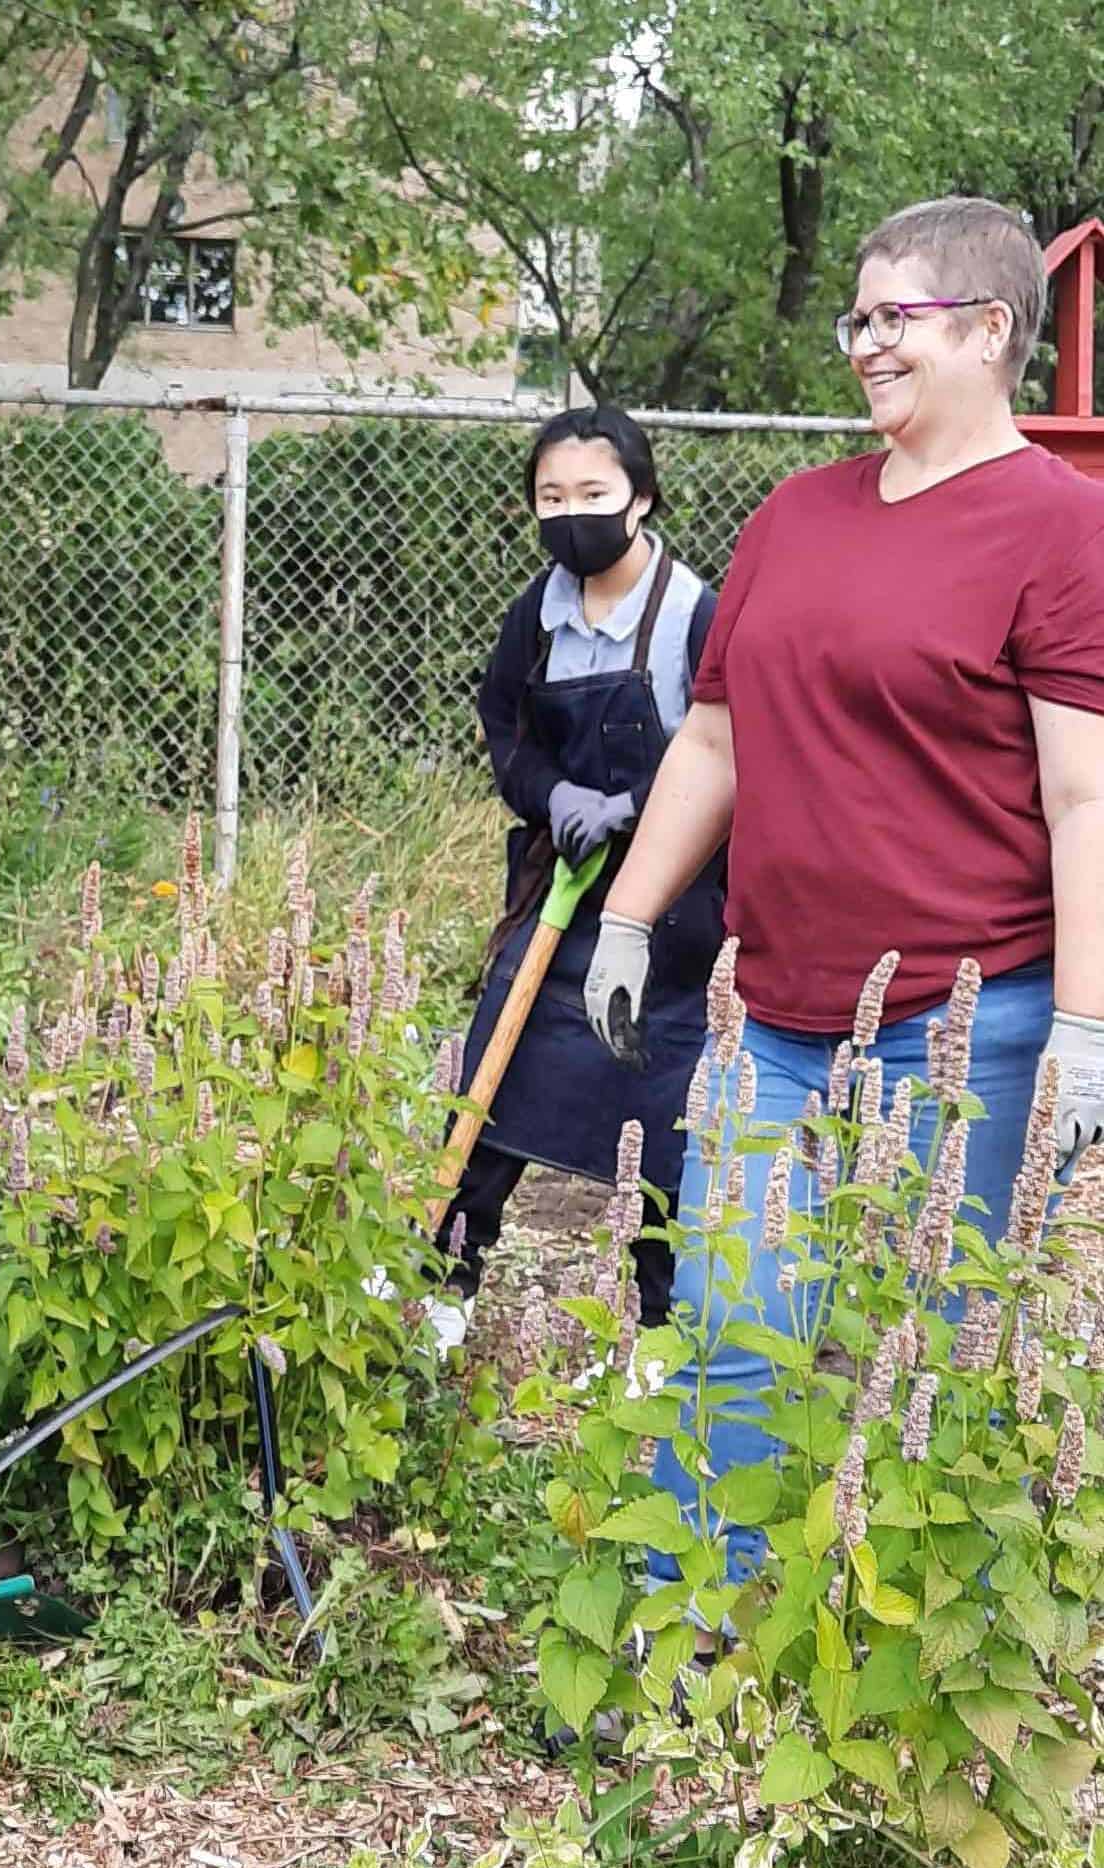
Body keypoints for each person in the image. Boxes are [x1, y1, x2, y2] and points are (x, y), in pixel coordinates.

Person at [583, 195, 1104, 1616]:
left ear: (992, 330)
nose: (866, 343)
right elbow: (716, 738)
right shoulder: (797, 515)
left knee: (924, 1351)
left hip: (964, 1032)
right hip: (774, 1019)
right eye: (857, 317)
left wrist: (1084, 1026)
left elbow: (1084, 799)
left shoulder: (1063, 530)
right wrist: (631, 915)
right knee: (732, 1330)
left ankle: (912, 1666)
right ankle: (699, 1633)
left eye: (898, 317)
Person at [430, 405, 723, 1350]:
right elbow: (504, 728)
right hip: (557, 892)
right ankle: (443, 1292)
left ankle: (658, 1329)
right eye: (551, 497)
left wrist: (636, 811)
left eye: (592, 494)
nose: (571, 515)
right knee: (490, 1086)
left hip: (671, 913)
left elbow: (729, 753)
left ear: (640, 497)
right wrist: (552, 795)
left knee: (662, 1124)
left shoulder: (695, 613)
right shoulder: (538, 614)